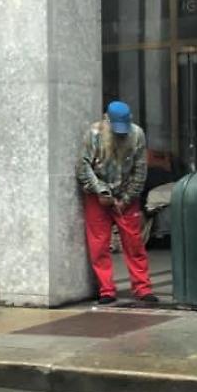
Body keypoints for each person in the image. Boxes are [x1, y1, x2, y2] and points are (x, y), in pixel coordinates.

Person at [76, 101, 158, 305]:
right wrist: (100, 190)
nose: (120, 134)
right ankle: (106, 290)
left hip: (126, 193)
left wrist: (127, 198)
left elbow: (140, 170)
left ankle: (143, 288)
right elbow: (83, 166)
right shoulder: (94, 134)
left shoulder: (137, 135)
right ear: (107, 120)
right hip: (98, 195)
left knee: (134, 242)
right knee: (99, 245)